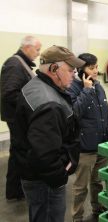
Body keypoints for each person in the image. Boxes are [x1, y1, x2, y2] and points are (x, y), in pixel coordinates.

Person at [12, 45, 85, 222]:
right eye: (70, 70)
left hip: (32, 173)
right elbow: (44, 155)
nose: (74, 75)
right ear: (54, 68)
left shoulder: (36, 86)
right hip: (45, 182)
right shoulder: (49, 103)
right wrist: (59, 177)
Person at [67, 53, 108, 222]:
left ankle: (97, 207)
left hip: (102, 144)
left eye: (96, 67)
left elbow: (106, 115)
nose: (96, 71)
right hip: (85, 148)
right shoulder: (73, 88)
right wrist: (86, 89)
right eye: (91, 68)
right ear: (81, 70)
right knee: (80, 187)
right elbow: (75, 112)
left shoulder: (99, 86)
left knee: (97, 181)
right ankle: (77, 217)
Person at [0, 35, 42, 201]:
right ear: (27, 47)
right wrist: (32, 104)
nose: (38, 54)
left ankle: (15, 190)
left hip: (19, 116)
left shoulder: (21, 64)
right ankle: (16, 190)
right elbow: (10, 93)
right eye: (37, 49)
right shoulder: (15, 64)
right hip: (16, 118)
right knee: (20, 152)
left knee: (18, 151)